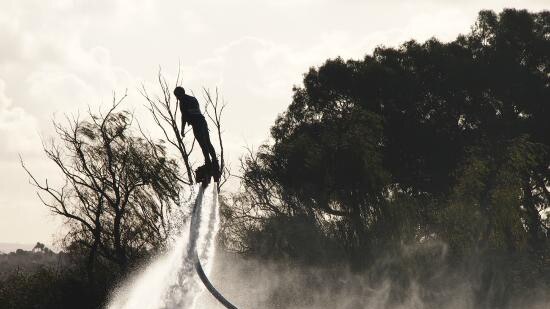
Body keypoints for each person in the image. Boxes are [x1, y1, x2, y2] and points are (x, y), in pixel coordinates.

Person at [174, 86, 221, 183]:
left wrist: (182, 129)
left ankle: (208, 163)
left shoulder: (182, 101)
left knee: (203, 144)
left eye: (177, 96)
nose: (177, 98)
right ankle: (214, 162)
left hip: (196, 123)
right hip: (202, 121)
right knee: (208, 142)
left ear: (179, 94)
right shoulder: (193, 98)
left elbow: (184, 115)